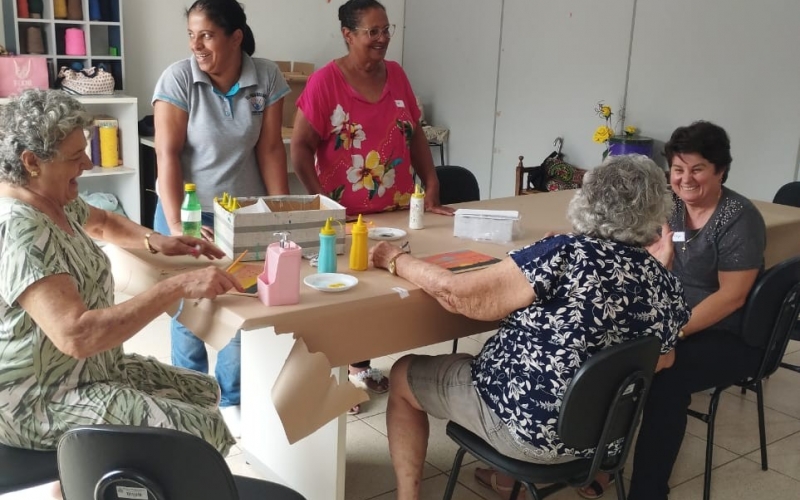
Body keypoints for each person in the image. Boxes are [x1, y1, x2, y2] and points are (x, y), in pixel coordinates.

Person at [370, 155, 691, 500]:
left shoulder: (565, 253)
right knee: (504, 363)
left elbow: (457, 295)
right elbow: (663, 360)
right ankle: (506, 478)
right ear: (655, 211)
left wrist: (395, 258)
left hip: (526, 432)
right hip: (604, 439)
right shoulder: (664, 281)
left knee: (403, 373)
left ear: (587, 199)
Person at [0, 89, 241, 455]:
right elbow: (76, 335)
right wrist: (176, 286)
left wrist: (157, 240)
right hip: (38, 398)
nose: (89, 164)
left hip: (87, 370)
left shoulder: (50, 201)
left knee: (202, 391)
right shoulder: (21, 228)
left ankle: (72, 485)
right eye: (76, 156)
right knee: (199, 431)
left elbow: (102, 221)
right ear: (32, 161)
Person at [291, 0, 454, 415]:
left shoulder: (396, 75)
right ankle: (334, 378)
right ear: (348, 34)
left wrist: (431, 180)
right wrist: (322, 206)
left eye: (386, 29)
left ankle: (359, 367)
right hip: (344, 214)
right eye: (372, 31)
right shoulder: (326, 81)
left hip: (396, 210)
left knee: (381, 297)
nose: (382, 38)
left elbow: (414, 132)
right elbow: (300, 149)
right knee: (344, 296)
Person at [152, 0, 290, 435]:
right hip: (187, 210)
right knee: (190, 313)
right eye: (191, 34)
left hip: (242, 216)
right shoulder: (178, 78)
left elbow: (270, 149)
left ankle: (231, 403)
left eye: (207, 35)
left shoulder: (265, 77)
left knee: (238, 310)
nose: (196, 45)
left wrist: (280, 215)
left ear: (235, 37)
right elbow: (167, 157)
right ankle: (189, 402)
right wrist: (177, 227)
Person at [623, 122, 767, 500]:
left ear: (720, 170)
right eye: (678, 169)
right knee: (611, 357)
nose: (686, 179)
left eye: (698, 169)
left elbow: (732, 297)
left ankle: (648, 492)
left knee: (664, 382)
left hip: (729, 333)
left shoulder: (739, 218)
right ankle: (604, 463)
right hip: (675, 319)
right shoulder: (669, 207)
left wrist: (672, 334)